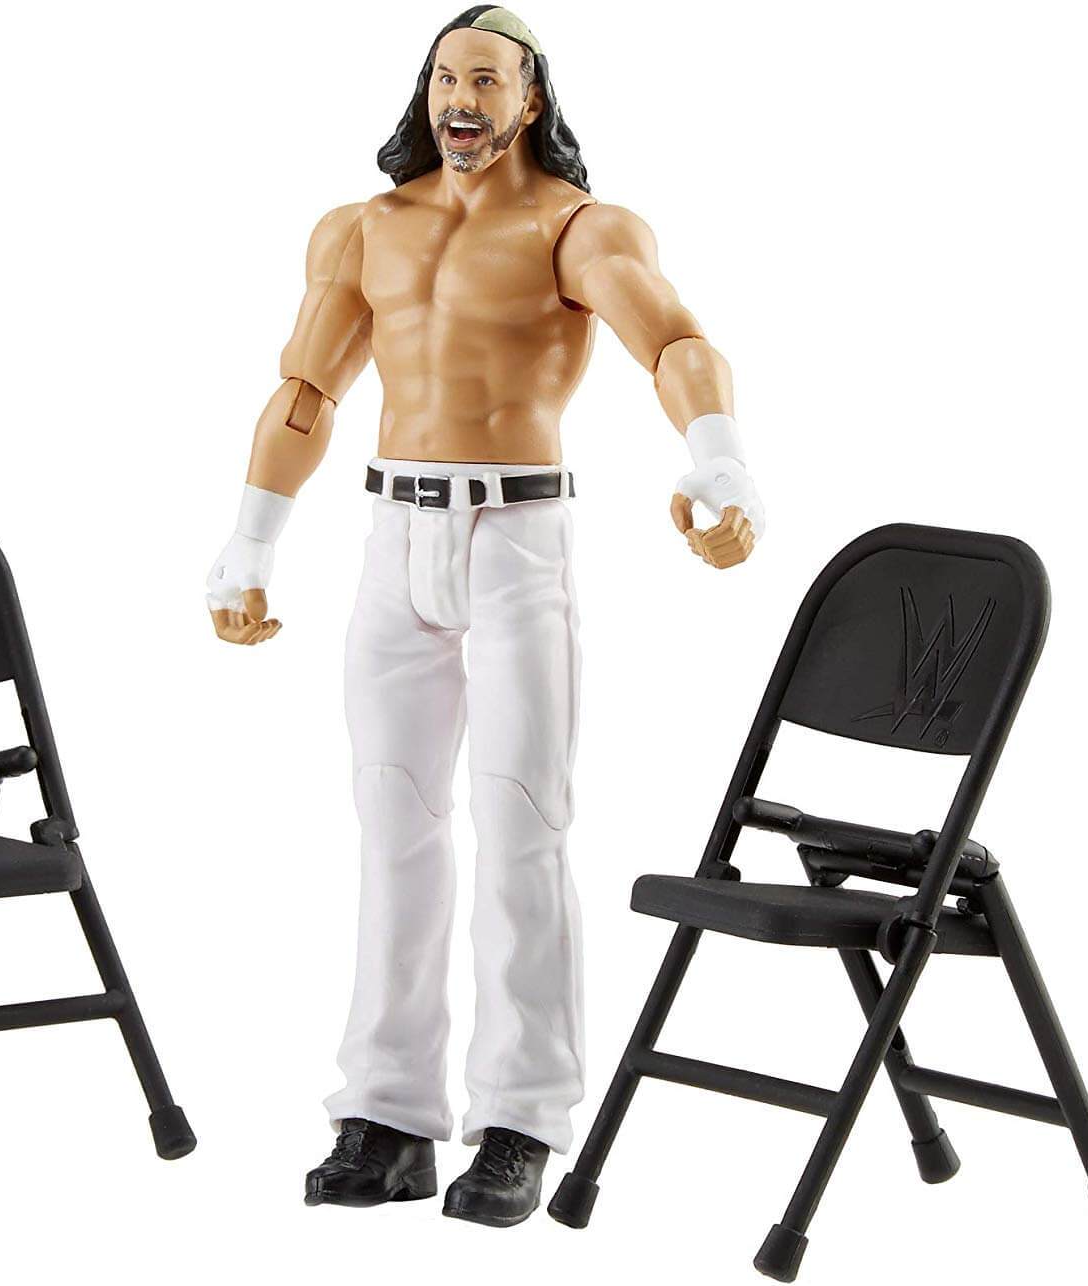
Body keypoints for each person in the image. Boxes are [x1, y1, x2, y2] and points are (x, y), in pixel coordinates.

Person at [206, 5, 765, 1228]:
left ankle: (522, 1116)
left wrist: (719, 460)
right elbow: (305, 389)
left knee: (523, 822)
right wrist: (251, 541)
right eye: (445, 77)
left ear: (529, 98)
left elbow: (671, 340)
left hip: (519, 538)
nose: (461, 99)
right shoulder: (363, 228)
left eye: (486, 80)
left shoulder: (577, 227)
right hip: (392, 537)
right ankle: (387, 1111)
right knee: (391, 821)